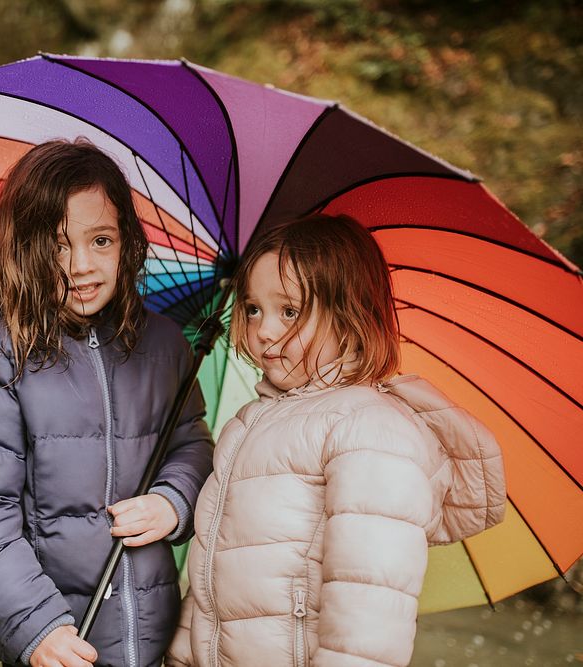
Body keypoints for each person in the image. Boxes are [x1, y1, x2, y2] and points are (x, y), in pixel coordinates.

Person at [166, 213, 507, 667]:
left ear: (348, 317)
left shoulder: (371, 431)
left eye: (289, 311)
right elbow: (211, 583)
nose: (264, 330)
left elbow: (366, 615)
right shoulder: (246, 425)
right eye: (253, 308)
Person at [0, 139, 214, 667]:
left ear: (127, 243)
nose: (81, 266)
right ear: (26, 248)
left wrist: (173, 501)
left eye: (100, 240)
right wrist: (36, 627)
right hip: (60, 644)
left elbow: (193, 446)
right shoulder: (0, 359)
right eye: (58, 246)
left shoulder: (165, 346)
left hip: (152, 637)